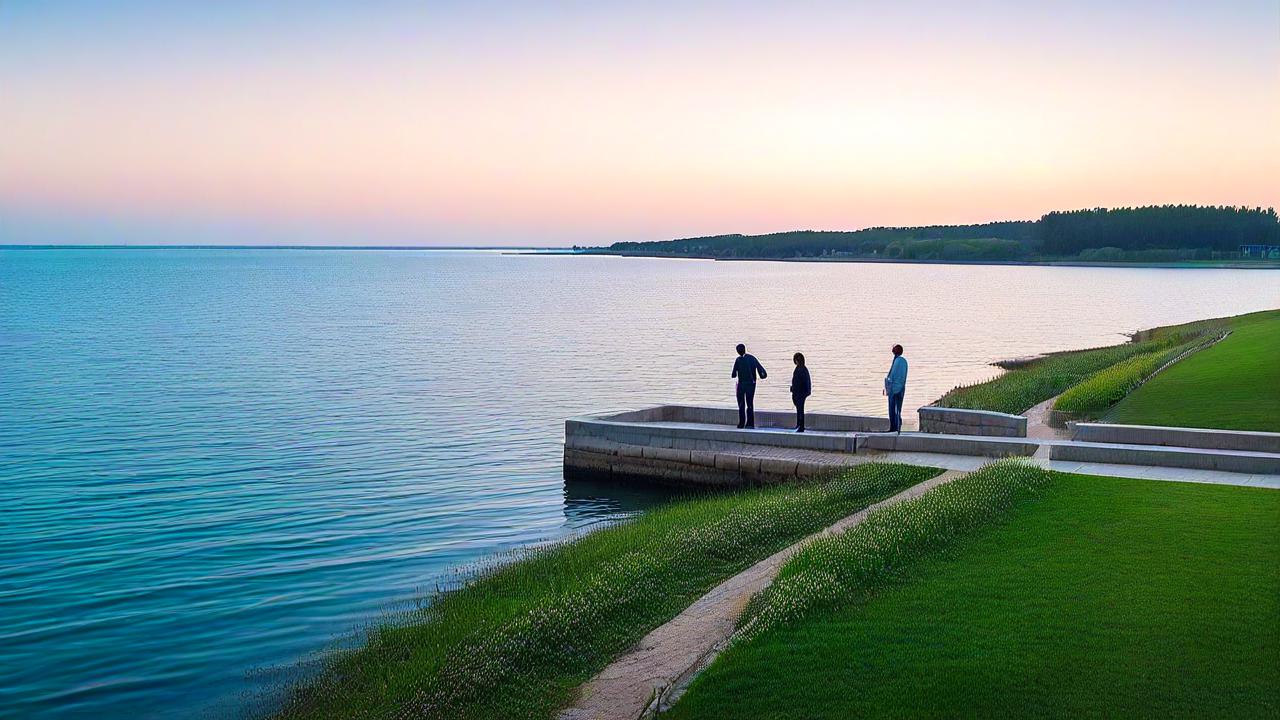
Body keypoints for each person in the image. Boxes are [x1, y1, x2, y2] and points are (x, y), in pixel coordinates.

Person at [730, 343, 767, 428]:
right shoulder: (752, 358)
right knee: (750, 404)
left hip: (742, 384)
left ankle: (741, 423)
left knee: (741, 404)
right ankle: (750, 423)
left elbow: (733, 374)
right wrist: (762, 375)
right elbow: (760, 369)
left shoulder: (738, 360)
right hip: (751, 384)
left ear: (737, 351)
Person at [884, 344, 908, 433]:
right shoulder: (904, 361)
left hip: (894, 389)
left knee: (892, 408)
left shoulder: (897, 361)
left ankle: (893, 428)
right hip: (901, 388)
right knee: (898, 409)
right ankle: (897, 427)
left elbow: (892, 376)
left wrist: (889, 387)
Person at [790, 352, 812, 432]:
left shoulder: (800, 369)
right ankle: (799, 424)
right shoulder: (802, 368)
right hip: (801, 392)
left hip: (800, 393)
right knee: (799, 408)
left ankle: (801, 426)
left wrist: (794, 389)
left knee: (800, 409)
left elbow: (798, 382)